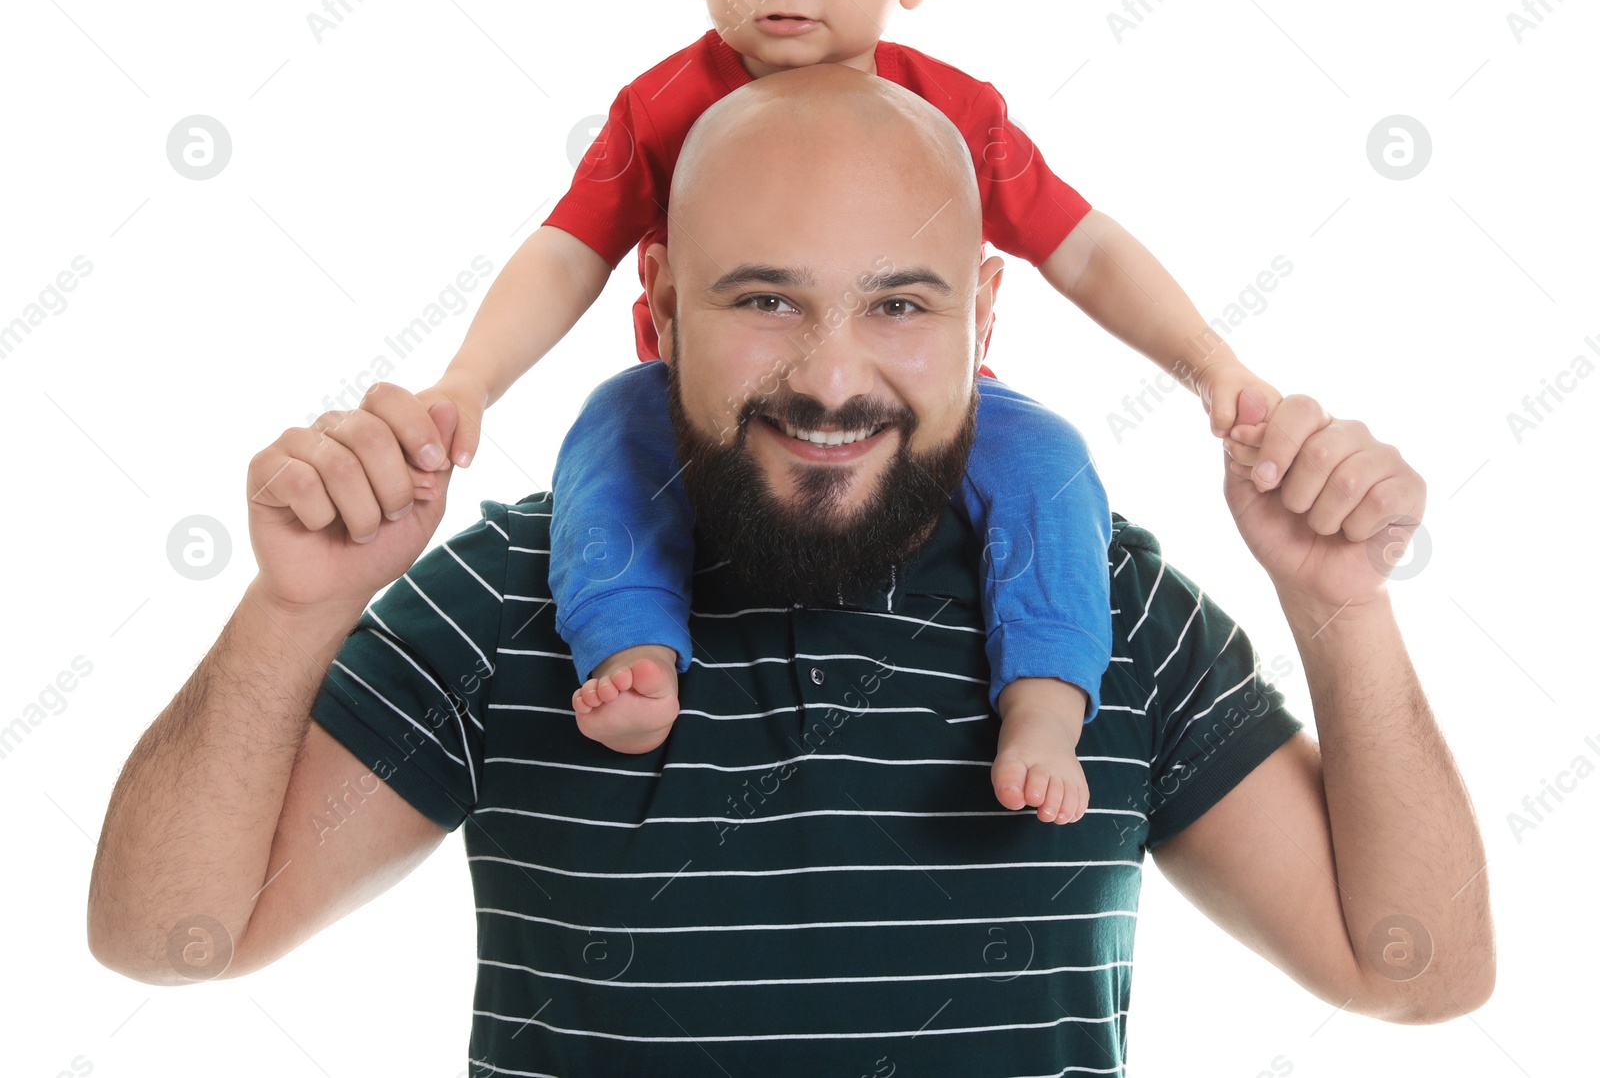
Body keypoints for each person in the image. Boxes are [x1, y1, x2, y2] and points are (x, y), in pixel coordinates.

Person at [87, 67, 1493, 1077]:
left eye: (900, 303)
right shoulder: (516, 596)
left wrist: (1340, 609)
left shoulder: (1105, 610)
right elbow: (169, 939)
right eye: (765, 301)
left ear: (983, 313)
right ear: (658, 308)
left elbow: (1417, 973)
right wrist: (298, 607)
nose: (832, 378)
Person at [404, 0, 1286, 821]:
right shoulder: (661, 108)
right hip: (714, 420)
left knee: (1050, 460)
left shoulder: (953, 115)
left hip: (918, 418)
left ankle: (1048, 700)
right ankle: (633, 645)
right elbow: (565, 251)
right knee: (607, 437)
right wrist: (467, 382)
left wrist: (1209, 364)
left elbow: (1083, 245)